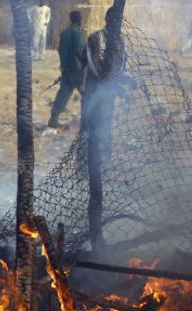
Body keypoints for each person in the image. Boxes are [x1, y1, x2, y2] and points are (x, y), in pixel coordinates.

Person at [81, 6, 126, 249]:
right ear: (107, 19)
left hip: (107, 96)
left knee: (105, 131)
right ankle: (85, 168)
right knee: (88, 133)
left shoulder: (119, 41)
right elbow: (97, 68)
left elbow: (121, 66)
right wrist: (112, 82)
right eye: (114, 18)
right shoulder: (95, 38)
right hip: (93, 95)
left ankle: (103, 166)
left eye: (120, 19)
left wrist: (119, 83)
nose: (117, 23)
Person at [48, 10, 84, 128]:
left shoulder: (64, 33)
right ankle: (87, 119)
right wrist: (83, 66)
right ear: (79, 20)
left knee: (64, 92)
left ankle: (53, 119)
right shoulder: (77, 32)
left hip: (65, 68)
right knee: (87, 93)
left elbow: (59, 50)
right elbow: (78, 52)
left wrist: (65, 64)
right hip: (76, 69)